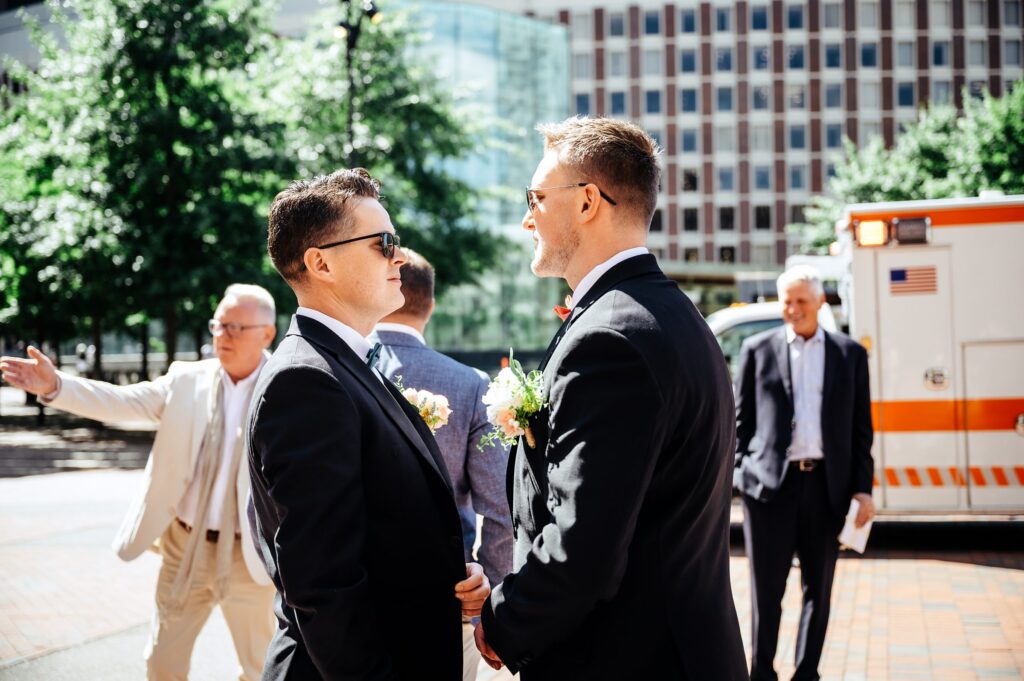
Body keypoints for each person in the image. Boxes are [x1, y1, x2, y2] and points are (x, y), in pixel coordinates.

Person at [474, 116, 748, 680]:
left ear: (587, 202)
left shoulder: (611, 338)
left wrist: (503, 621)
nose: (527, 218)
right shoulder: (669, 314)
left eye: (536, 197)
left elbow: (585, 547)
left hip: (629, 657)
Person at [247, 168, 489, 681]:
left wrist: (446, 576)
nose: (400, 255)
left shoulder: (346, 363)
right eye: (384, 242)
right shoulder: (306, 379)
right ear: (321, 263)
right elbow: (323, 584)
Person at [0, 284, 279, 681]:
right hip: (185, 549)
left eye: (236, 328)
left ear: (267, 333)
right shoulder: (186, 380)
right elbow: (121, 401)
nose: (222, 336)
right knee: (161, 662)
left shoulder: (285, 386)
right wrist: (55, 386)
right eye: (218, 325)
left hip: (249, 555)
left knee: (261, 668)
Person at [370, 248, 513, 681]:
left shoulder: (342, 370)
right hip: (449, 591)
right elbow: (500, 510)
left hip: (354, 590)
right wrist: (487, 596)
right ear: (430, 304)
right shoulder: (470, 384)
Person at [734, 265, 875, 681]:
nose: (793, 309)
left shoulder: (850, 355)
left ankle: (806, 672)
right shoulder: (757, 350)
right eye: (787, 302)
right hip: (769, 490)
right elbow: (740, 424)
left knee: (819, 587)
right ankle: (761, 671)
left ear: (819, 302)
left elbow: (861, 430)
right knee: (766, 592)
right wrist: (742, 475)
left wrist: (863, 490)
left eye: (801, 301)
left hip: (826, 488)